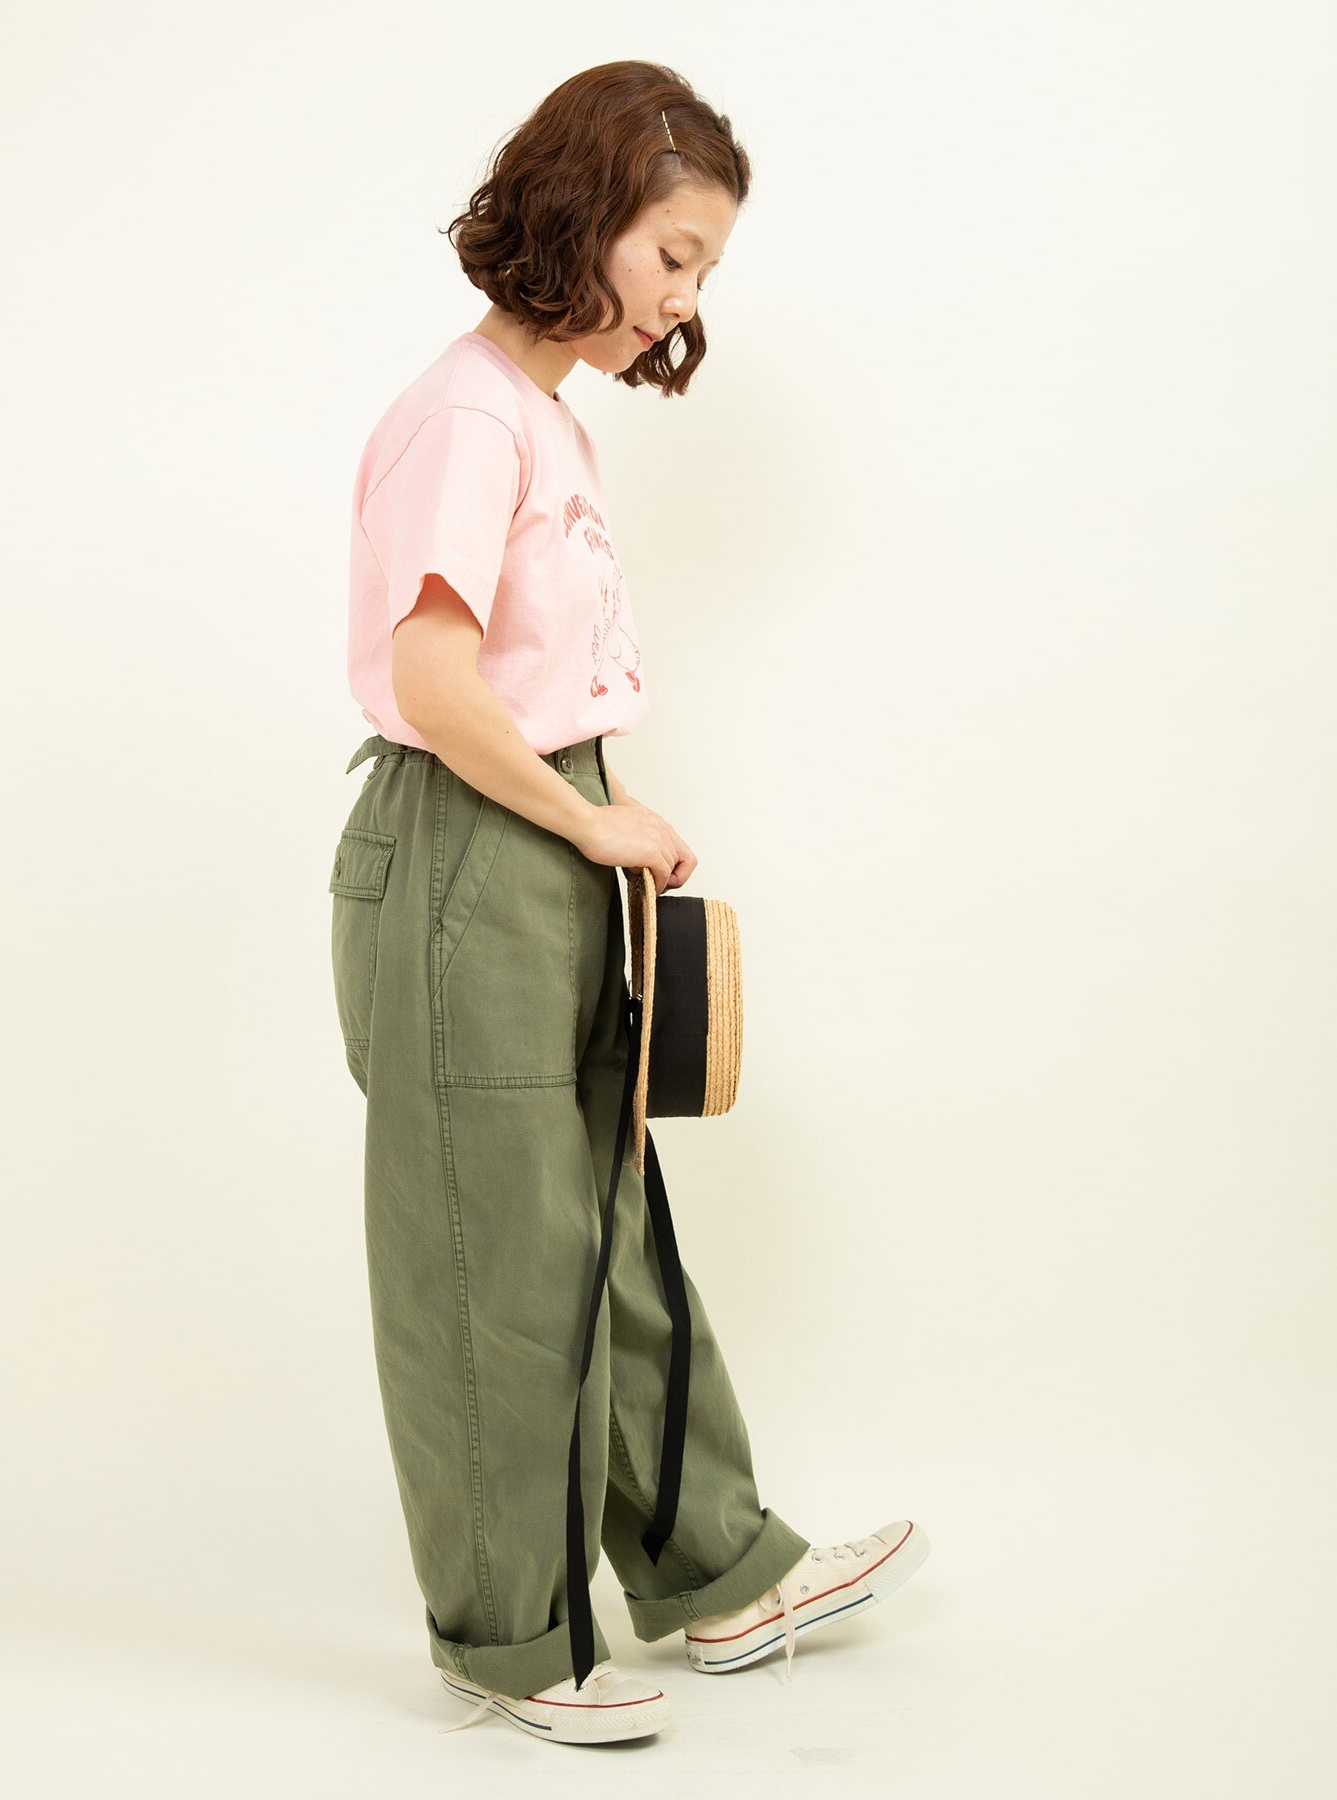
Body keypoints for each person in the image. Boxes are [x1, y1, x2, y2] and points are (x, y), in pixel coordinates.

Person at [328, 59, 929, 1746]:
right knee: (494, 1254)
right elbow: (434, 682)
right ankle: (508, 1643)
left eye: (704, 271)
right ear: (583, 211)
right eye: (674, 254)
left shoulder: (541, 418)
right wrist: (586, 823)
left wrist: (592, 818)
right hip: (472, 843)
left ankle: (716, 1571)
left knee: (604, 1222)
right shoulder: (467, 418)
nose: (683, 299)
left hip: (537, 832)